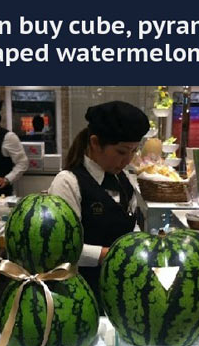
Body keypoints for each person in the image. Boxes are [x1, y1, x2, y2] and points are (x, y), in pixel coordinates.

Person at [48, 100, 149, 302]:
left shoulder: (124, 178)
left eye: (133, 151)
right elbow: (61, 249)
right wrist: (110, 254)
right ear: (95, 143)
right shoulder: (68, 182)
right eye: (121, 152)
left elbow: (131, 225)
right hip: (81, 292)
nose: (127, 160)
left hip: (121, 290)